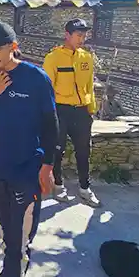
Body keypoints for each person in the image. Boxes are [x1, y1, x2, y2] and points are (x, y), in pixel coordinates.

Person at [0, 22, 59, 277]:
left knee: (19, 236)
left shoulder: (36, 78)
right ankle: (11, 274)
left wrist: (48, 166)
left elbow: (51, 126)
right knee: (5, 229)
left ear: (13, 46)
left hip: (28, 167)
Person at [42, 18, 101, 207]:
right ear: (67, 35)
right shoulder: (54, 58)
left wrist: (91, 108)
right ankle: (58, 186)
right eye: (78, 35)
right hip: (61, 110)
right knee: (58, 150)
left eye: (84, 35)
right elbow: (46, 88)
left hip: (82, 111)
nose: (81, 39)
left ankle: (85, 188)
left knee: (84, 151)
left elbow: (89, 85)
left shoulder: (86, 57)